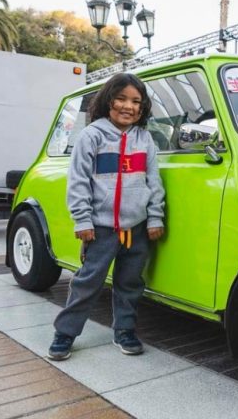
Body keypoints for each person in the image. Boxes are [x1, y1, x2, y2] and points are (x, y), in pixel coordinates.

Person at [48, 73, 166, 361]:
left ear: (143, 107)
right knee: (87, 282)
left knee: (130, 283)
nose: (129, 106)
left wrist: (154, 218)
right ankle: (65, 333)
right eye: (122, 98)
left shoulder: (145, 139)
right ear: (108, 100)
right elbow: (78, 182)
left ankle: (124, 330)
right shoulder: (92, 136)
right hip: (101, 229)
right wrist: (83, 220)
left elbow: (154, 182)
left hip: (136, 229)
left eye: (136, 101)